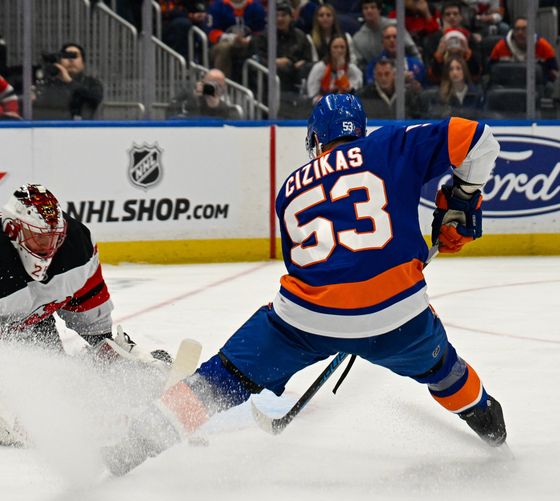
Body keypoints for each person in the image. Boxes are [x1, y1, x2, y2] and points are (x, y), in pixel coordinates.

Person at [102, 93, 507, 476]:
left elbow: (325, 261)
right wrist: (462, 199)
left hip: (307, 320)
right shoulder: (389, 145)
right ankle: (491, 426)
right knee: (444, 370)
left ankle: (131, 447)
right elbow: (479, 140)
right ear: (359, 131)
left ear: (315, 138)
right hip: (397, 316)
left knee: (221, 379)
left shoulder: (291, 188)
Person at [0, 184, 169, 425]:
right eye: (40, 239)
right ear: (13, 231)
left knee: (52, 381)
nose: (49, 248)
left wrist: (111, 351)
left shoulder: (78, 244)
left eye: (55, 238)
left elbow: (92, 318)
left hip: (25, 314)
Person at [250, 0, 314, 94]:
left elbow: (307, 58)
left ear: (291, 17)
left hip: (295, 74)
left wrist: (293, 62)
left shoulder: (300, 36)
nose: (280, 19)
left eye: (283, 15)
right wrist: (274, 62)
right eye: (276, 15)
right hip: (270, 76)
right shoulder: (263, 37)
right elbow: (258, 57)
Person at [31, 42, 104, 120]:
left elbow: (95, 98)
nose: (71, 60)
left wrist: (69, 81)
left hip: (83, 129)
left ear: (83, 64)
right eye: (66, 56)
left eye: (74, 56)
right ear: (59, 62)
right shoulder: (50, 83)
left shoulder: (91, 83)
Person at [350, 0, 420, 73]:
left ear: (379, 10)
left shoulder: (395, 25)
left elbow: (411, 48)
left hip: (404, 69)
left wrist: (418, 67)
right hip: (376, 76)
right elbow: (360, 66)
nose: (369, 11)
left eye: (372, 7)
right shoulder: (358, 38)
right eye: (365, 8)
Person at [489, 17, 559, 85]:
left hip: (535, 87)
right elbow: (491, 71)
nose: (520, 33)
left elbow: (554, 72)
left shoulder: (543, 45)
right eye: (517, 29)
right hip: (508, 86)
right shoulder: (501, 46)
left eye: (524, 29)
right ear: (513, 31)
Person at [207, 0, 267, 79]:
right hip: (221, 44)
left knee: (260, 47)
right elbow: (211, 32)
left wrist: (249, 39)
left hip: (249, 43)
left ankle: (260, 84)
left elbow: (261, 31)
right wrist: (231, 38)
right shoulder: (217, 6)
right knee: (224, 48)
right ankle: (222, 83)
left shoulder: (256, 6)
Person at [358, 57, 424, 118]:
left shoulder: (408, 93)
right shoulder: (366, 95)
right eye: (379, 74)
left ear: (393, 74)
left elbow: (417, 117)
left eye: (387, 74)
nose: (383, 78)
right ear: (374, 76)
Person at [306, 35, 363, 103]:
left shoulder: (353, 70)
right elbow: (312, 96)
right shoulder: (319, 68)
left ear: (347, 50)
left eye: (342, 47)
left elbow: (350, 94)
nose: (339, 50)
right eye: (335, 47)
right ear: (329, 50)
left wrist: (340, 70)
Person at [167, 68, 240, 119]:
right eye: (211, 84)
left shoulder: (225, 101)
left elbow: (229, 121)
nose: (214, 88)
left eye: (219, 85)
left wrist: (215, 105)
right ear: (203, 82)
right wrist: (194, 98)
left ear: (224, 86)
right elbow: (171, 109)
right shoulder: (188, 93)